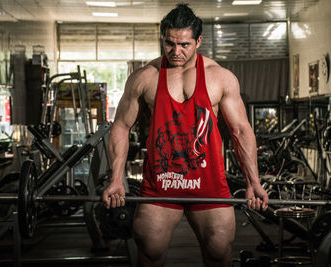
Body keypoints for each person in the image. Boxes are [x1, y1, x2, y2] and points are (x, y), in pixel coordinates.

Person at [103, 3, 269, 266]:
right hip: (161, 184)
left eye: (184, 45)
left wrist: (253, 182)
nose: (176, 51)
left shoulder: (220, 78)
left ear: (199, 41)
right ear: (163, 38)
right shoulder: (145, 77)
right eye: (169, 43)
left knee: (219, 250)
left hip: (209, 184)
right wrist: (116, 179)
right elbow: (121, 127)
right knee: (150, 246)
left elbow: (240, 131)